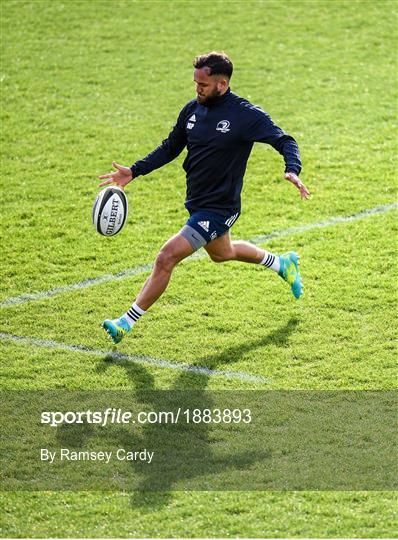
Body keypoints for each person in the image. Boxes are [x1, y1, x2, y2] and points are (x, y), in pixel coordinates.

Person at [98, 51, 310, 344]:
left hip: (220, 206)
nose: (197, 89)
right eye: (195, 83)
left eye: (203, 85)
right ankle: (282, 263)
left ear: (222, 84)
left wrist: (292, 169)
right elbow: (171, 146)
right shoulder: (192, 111)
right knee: (223, 253)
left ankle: (125, 322)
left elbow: (284, 140)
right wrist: (134, 171)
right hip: (197, 200)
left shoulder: (245, 115)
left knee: (166, 257)